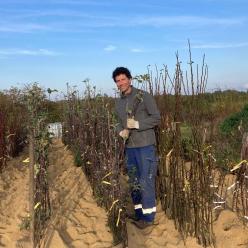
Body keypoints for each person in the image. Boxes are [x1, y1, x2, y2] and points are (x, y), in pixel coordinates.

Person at [113, 67, 161, 229]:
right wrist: (120, 130)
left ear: (130, 79)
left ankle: (148, 218)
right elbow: (117, 121)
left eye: (123, 79)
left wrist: (138, 124)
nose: (121, 83)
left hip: (145, 145)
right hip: (130, 147)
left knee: (145, 181)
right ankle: (139, 213)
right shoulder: (118, 102)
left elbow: (156, 118)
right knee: (134, 181)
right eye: (117, 81)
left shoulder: (143, 96)